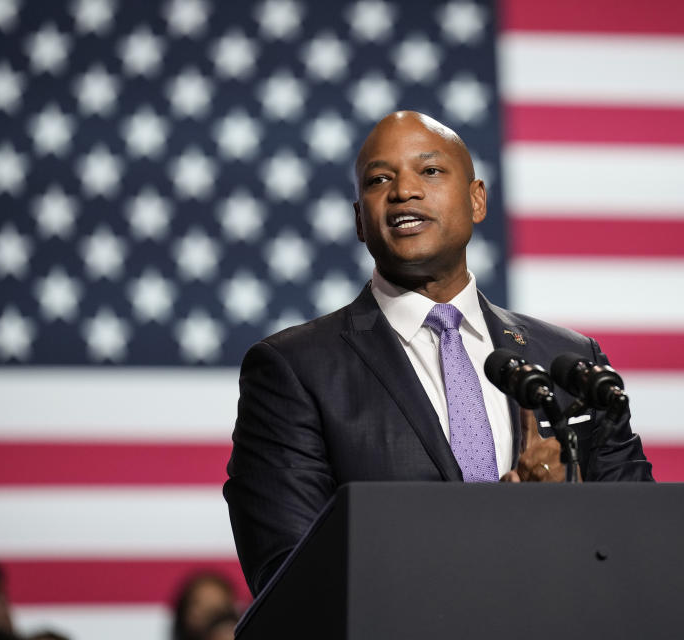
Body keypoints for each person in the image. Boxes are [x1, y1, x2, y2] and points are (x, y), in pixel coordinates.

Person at [224, 111, 653, 596]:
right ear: (359, 221)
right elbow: (292, 582)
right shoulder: (295, 370)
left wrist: (563, 516)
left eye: (429, 171)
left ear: (476, 199)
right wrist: (509, 530)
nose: (403, 190)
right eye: (379, 179)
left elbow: (640, 547)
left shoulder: (569, 360)